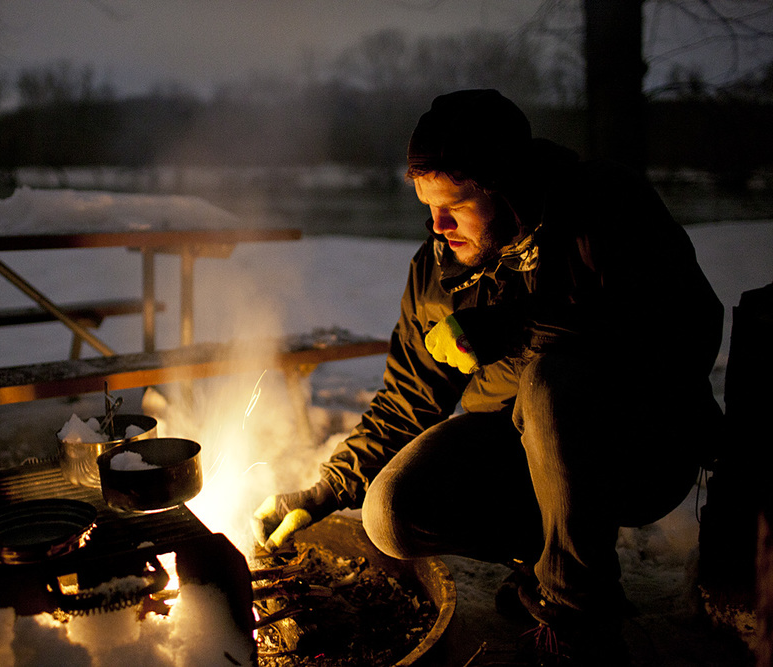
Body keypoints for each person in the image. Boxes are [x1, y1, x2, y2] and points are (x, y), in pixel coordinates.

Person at [252, 89, 724, 663]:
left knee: (547, 384)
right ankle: (541, 557)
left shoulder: (602, 207)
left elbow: (688, 329)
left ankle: (580, 621)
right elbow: (408, 400)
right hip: (524, 449)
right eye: (427, 205)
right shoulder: (438, 270)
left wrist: (515, 330)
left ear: (505, 187)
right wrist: (324, 492)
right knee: (391, 512)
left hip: (640, 445)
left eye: (456, 204)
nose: (438, 224)